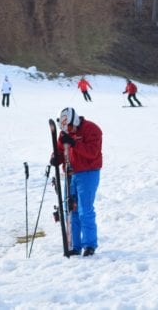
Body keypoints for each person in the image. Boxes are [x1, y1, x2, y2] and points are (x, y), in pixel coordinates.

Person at [53, 107, 103, 256]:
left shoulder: (92, 129)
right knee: (71, 209)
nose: (67, 131)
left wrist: (75, 143)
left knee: (84, 210)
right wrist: (56, 158)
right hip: (70, 174)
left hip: (88, 173)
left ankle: (89, 245)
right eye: (64, 128)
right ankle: (74, 245)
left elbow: (92, 153)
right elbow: (61, 151)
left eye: (69, 127)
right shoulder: (64, 134)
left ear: (74, 120)